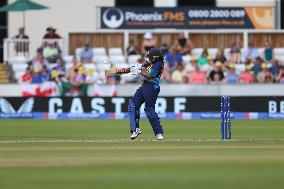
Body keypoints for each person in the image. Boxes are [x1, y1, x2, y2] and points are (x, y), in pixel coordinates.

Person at [128, 48, 164, 140]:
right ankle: (135, 129)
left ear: (155, 58)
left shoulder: (159, 64)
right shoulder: (153, 61)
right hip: (144, 86)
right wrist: (138, 66)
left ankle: (159, 133)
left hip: (152, 87)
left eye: (150, 57)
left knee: (149, 109)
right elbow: (145, 64)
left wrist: (139, 71)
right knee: (133, 105)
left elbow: (150, 76)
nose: (149, 59)